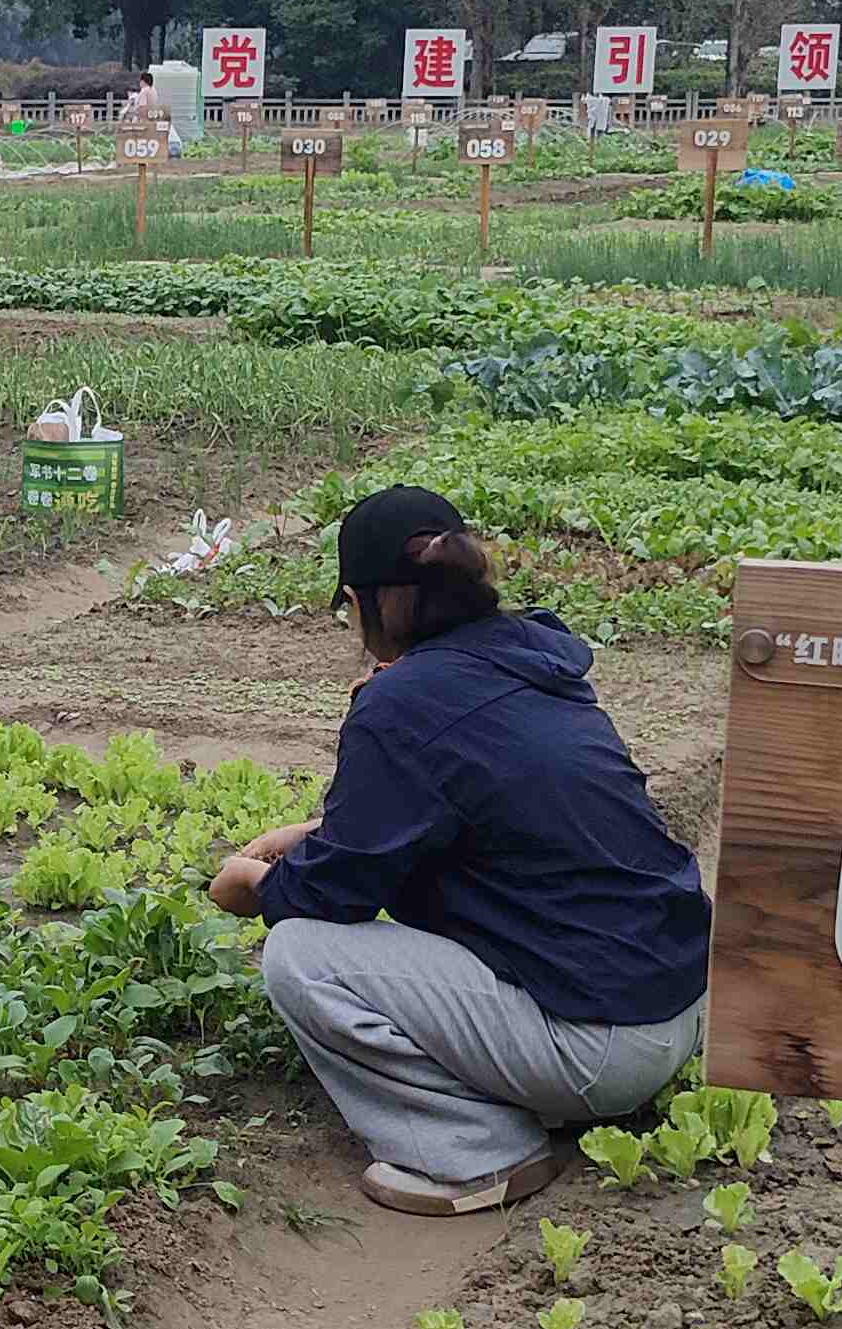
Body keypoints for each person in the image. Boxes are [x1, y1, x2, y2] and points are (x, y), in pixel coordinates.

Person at [210, 487, 708, 1215]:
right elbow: (496, 814)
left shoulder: (401, 702)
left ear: (362, 600)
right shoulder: (530, 654)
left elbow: (331, 897)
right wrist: (316, 836)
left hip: (603, 1048)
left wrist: (249, 883)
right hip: (678, 1009)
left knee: (302, 958)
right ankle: (537, 1089)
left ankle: (475, 1155)